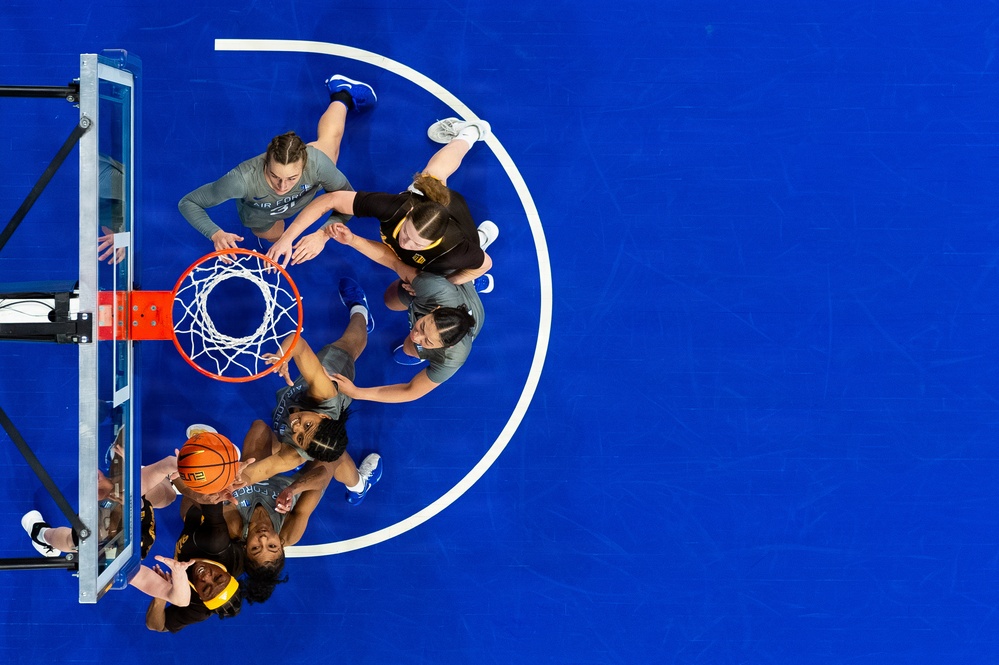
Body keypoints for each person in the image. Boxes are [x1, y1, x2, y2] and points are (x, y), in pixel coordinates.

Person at [266, 118, 499, 296]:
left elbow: (485, 264)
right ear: (409, 214)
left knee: (457, 266)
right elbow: (331, 199)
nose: (404, 243)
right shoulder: (397, 207)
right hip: (442, 214)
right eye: (407, 233)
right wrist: (289, 237)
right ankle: (471, 132)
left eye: (416, 243)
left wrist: (445, 285)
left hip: (458, 250)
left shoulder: (453, 251)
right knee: (432, 176)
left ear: (433, 242)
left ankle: (479, 239)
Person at [178, 74, 375, 259]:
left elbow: (349, 203)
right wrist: (215, 233)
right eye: (274, 176)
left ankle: (342, 94)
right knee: (274, 235)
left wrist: (323, 234)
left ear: (304, 164)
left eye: (291, 178)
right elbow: (188, 203)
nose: (282, 187)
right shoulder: (241, 180)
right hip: (262, 217)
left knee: (331, 142)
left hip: (309, 184)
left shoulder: (316, 164)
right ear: (266, 162)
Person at [231, 277, 382, 506]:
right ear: (322, 416)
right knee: (348, 347)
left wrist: (232, 481)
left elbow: (261, 471)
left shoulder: (295, 453)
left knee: (334, 460)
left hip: (312, 446)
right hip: (336, 375)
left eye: (300, 436)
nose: (297, 425)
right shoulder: (325, 393)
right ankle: (361, 312)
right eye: (308, 425)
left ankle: (359, 485)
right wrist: (284, 355)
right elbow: (298, 344)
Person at [221, 427, 337, 603]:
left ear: (245, 548)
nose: (263, 538)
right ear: (281, 546)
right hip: (293, 483)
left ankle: (284, 455)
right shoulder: (289, 533)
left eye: (255, 548)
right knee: (334, 452)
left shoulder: (234, 527)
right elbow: (323, 475)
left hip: (260, 477)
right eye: (272, 546)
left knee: (259, 428)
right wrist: (293, 489)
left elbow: (218, 494)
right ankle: (358, 485)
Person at [330, 271, 484, 403]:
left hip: (458, 302)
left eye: (428, 342)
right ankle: (469, 279)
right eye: (423, 326)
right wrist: (351, 240)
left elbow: (411, 391)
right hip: (447, 283)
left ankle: (359, 310)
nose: (416, 336)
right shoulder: (435, 290)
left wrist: (357, 393)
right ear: (437, 309)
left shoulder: (451, 358)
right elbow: (394, 263)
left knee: (409, 348)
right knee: (390, 299)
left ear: (446, 346)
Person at [144, 498, 245, 632]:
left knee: (186, 513)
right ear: (227, 573)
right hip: (223, 528)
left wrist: (162, 593)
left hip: (194, 533)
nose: (206, 577)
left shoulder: (197, 608)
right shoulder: (217, 542)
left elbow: (156, 625)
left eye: (206, 589)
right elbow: (210, 496)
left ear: (201, 597)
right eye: (218, 578)